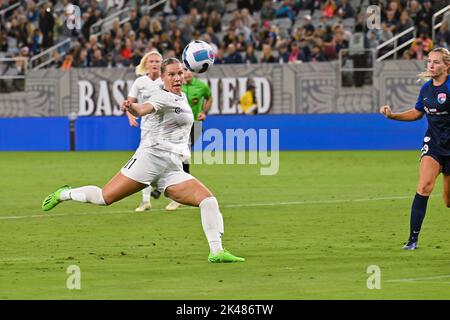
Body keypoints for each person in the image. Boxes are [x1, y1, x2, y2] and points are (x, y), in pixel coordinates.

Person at [41, 58, 244, 263]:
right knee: (104, 198)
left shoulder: (182, 98)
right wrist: (131, 108)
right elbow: (143, 108)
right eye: (171, 74)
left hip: (172, 167)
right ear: (163, 77)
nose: (176, 78)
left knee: (208, 201)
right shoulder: (161, 97)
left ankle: (216, 252)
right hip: (149, 159)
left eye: (179, 74)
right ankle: (64, 194)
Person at [379, 47, 450, 250]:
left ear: (447, 66)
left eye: (436, 62)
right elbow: (417, 113)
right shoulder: (426, 89)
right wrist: (393, 115)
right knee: (424, 185)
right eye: (429, 61)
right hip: (434, 144)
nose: (431, 65)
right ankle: (412, 240)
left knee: (448, 201)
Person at [165, 65, 213, 211]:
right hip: (177, 127)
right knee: (179, 156)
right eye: (183, 70)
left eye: (188, 70)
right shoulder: (175, 85)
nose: (186, 73)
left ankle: (179, 192)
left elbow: (209, 98)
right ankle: (180, 188)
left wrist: (204, 112)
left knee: (181, 156)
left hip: (195, 126)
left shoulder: (201, 86)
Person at [125, 50, 164, 212]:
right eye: (151, 61)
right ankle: (146, 200)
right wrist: (130, 115)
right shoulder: (140, 82)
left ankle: (163, 190)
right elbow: (129, 102)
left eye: (157, 61)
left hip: (166, 127)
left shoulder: (166, 80)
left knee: (169, 159)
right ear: (146, 64)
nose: (154, 64)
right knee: (146, 161)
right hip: (147, 128)